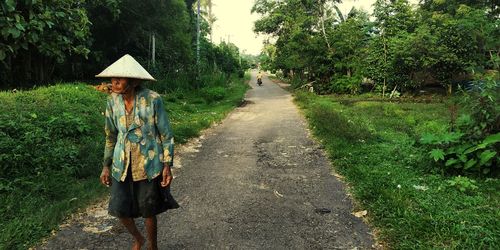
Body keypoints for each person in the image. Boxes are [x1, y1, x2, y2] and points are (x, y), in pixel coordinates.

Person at [97, 54, 178, 250]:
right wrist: (106, 166)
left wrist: (167, 165)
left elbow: (166, 134)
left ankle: (152, 246)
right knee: (120, 209)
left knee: (148, 209)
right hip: (121, 163)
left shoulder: (153, 100)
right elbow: (110, 135)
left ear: (133, 81)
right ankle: (138, 239)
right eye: (113, 78)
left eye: (120, 78)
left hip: (148, 163)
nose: (114, 82)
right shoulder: (112, 102)